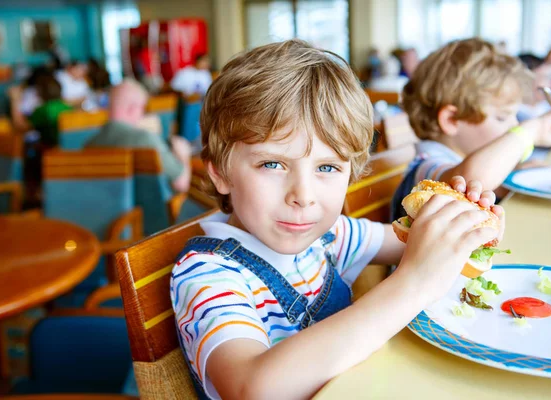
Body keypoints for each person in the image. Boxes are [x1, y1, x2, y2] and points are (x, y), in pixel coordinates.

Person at [170, 39, 503, 400]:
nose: (303, 195)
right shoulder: (208, 274)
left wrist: (464, 229)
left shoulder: (330, 235)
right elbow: (253, 387)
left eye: (327, 167)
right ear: (221, 173)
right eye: (272, 164)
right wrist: (413, 284)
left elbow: (417, 243)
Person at [391, 38, 551, 220]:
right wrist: (530, 132)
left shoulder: (457, 160)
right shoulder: (427, 167)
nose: (513, 125)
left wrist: (516, 174)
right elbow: (470, 183)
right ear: (451, 119)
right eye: (502, 117)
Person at [85, 79, 191, 192]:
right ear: (133, 108)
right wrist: (183, 154)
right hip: (148, 208)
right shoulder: (145, 139)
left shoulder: (89, 144)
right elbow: (181, 183)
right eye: (142, 109)